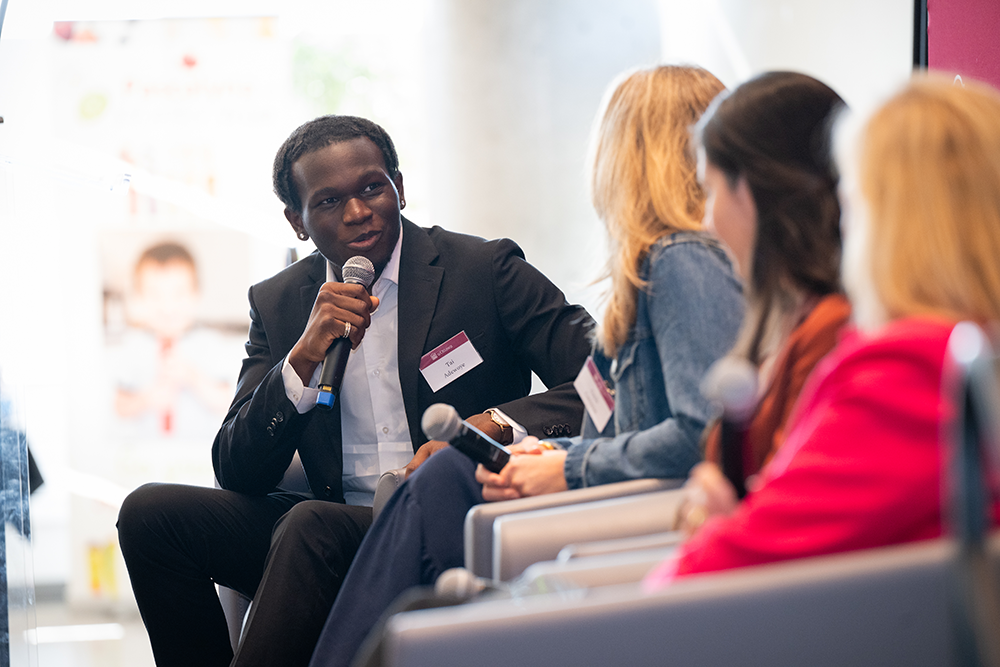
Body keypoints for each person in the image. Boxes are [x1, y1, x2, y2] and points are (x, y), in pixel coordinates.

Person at [117, 115, 594, 667]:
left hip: (446, 513)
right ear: (297, 221)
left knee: (308, 524)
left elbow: (602, 382)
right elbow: (238, 470)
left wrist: (484, 427)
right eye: (328, 201)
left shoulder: (483, 270)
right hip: (334, 522)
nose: (357, 212)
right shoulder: (280, 302)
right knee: (151, 515)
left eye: (373, 187)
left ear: (400, 187)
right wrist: (302, 357)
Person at [309, 64, 743, 667]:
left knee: (441, 480)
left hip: (623, 501)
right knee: (411, 492)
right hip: (601, 479)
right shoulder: (663, 262)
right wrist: (547, 453)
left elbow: (700, 433)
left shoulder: (680, 260)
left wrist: (562, 466)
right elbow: (623, 410)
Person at [645, 74, 1000, 587]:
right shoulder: (966, 354)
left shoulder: (909, 370)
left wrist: (721, 526)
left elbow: (692, 582)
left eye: (854, 204)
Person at [675, 72, 851, 531]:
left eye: (711, 191)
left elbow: (786, 520)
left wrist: (715, 513)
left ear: (750, 192)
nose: (708, 221)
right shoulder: (789, 322)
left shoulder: (830, 330)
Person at [111, 241, 237, 440]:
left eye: (178, 294)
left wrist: (193, 379)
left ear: (196, 296)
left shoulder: (210, 344)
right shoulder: (133, 346)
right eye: (154, 295)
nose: (167, 307)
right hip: (147, 455)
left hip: (200, 454)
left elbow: (229, 401)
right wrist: (147, 399)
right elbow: (119, 405)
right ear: (138, 299)